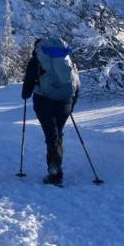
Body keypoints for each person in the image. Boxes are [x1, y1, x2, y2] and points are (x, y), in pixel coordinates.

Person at [21, 38, 80, 185]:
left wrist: (27, 93)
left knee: (51, 135)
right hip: (65, 102)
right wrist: (71, 104)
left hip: (44, 101)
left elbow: (27, 88)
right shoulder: (65, 58)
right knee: (57, 133)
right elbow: (76, 83)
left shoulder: (36, 60)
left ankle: (55, 172)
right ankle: (55, 167)